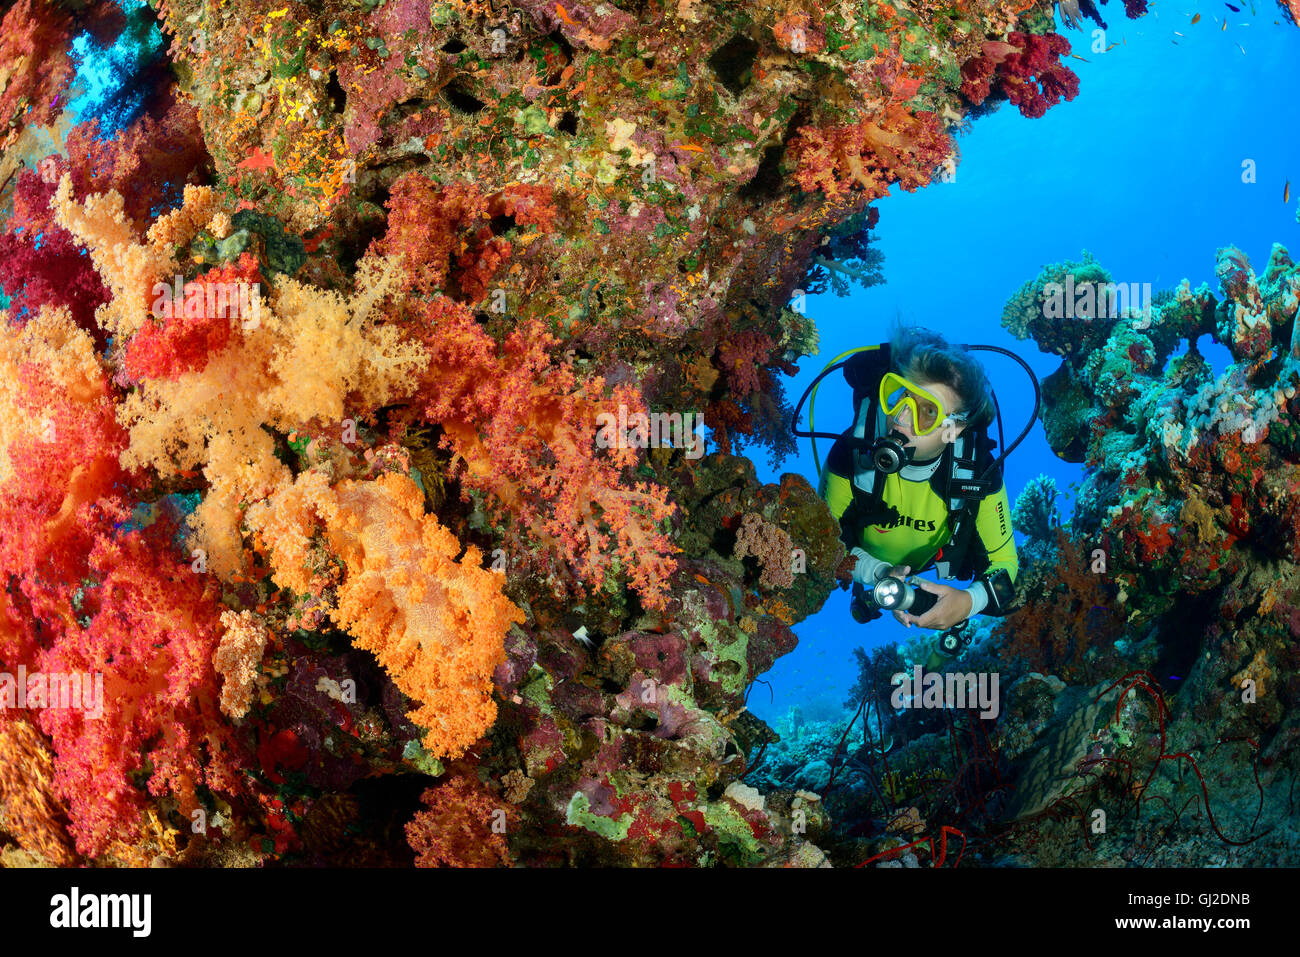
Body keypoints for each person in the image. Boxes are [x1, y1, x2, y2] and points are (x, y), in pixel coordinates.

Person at [821, 324, 1019, 662]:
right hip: (863, 559)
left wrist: (968, 603)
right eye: (899, 395)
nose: (900, 416)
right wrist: (876, 572)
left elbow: (1006, 566)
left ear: (953, 429)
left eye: (927, 412)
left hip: (932, 564)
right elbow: (823, 544)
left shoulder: (977, 470)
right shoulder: (850, 454)